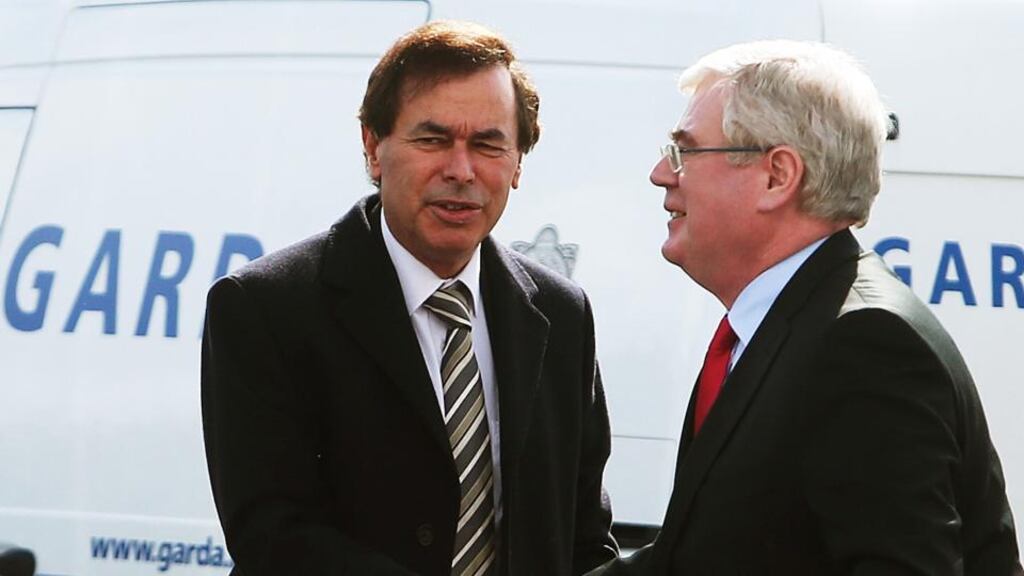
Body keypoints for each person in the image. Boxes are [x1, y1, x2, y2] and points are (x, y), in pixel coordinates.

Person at [201, 20, 617, 576]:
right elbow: (272, 535)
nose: (461, 170)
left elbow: (584, 538)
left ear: (519, 163)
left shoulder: (560, 314)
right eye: (433, 139)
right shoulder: (265, 308)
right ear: (374, 148)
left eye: (489, 144)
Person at [589, 40, 1021, 575]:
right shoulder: (790, 322)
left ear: (777, 176)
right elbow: (704, 551)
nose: (661, 172)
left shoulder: (863, 343)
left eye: (685, 151)